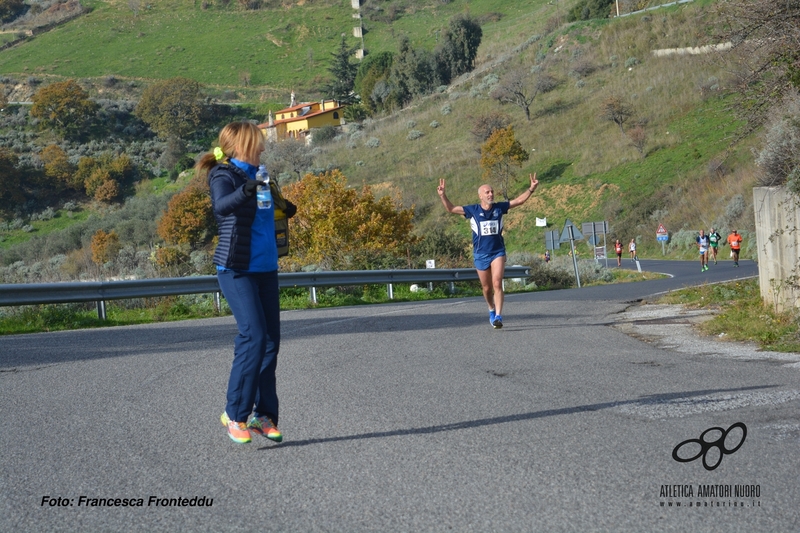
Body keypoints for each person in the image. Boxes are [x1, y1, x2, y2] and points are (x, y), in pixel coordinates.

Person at [197, 121, 284, 445]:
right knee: (254, 336)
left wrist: (283, 205)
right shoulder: (224, 174)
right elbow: (221, 207)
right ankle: (235, 415)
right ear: (241, 145)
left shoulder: (260, 174)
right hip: (236, 268)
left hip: (266, 267)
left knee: (270, 342)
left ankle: (265, 416)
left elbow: (265, 214)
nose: (263, 148)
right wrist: (247, 189)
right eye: (258, 143)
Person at [437, 173, 539, 329]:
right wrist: (443, 195)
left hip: (497, 251)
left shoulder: (499, 208)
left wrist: (531, 189)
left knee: (497, 283)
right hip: (480, 254)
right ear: (480, 196)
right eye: (487, 192)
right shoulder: (472, 210)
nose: (491, 194)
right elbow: (450, 209)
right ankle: (491, 309)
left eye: (492, 191)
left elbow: (519, 201)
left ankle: (498, 316)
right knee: (486, 288)